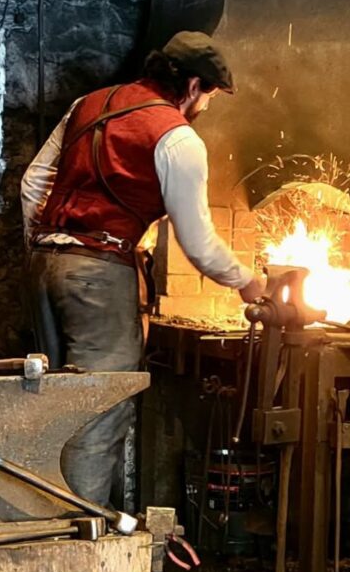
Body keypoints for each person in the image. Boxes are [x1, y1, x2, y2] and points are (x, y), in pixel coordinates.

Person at [21, 30, 264, 506]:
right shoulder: (177, 138)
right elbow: (197, 241)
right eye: (209, 94)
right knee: (99, 407)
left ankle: (45, 523)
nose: (207, 106)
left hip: (42, 264)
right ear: (194, 85)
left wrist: (42, 245)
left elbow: (33, 184)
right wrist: (247, 282)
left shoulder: (89, 104)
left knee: (52, 401)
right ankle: (77, 545)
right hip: (97, 275)